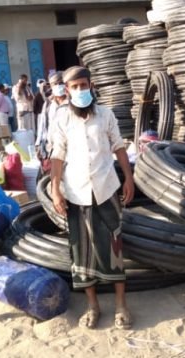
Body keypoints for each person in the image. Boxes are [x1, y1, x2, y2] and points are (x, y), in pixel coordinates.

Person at [49, 66, 135, 330]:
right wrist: (55, 189)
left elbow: (118, 146)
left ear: (91, 85)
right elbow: (57, 155)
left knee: (114, 246)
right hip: (77, 192)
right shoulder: (61, 118)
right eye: (74, 87)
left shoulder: (105, 114)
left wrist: (128, 178)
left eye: (83, 85)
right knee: (82, 251)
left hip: (106, 189)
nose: (79, 91)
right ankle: (93, 306)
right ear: (67, 90)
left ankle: (121, 305)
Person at [35, 72, 68, 174]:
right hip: (52, 147)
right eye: (55, 84)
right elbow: (43, 126)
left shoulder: (73, 102)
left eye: (61, 83)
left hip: (70, 148)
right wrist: (38, 144)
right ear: (51, 86)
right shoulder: (48, 104)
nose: (58, 86)